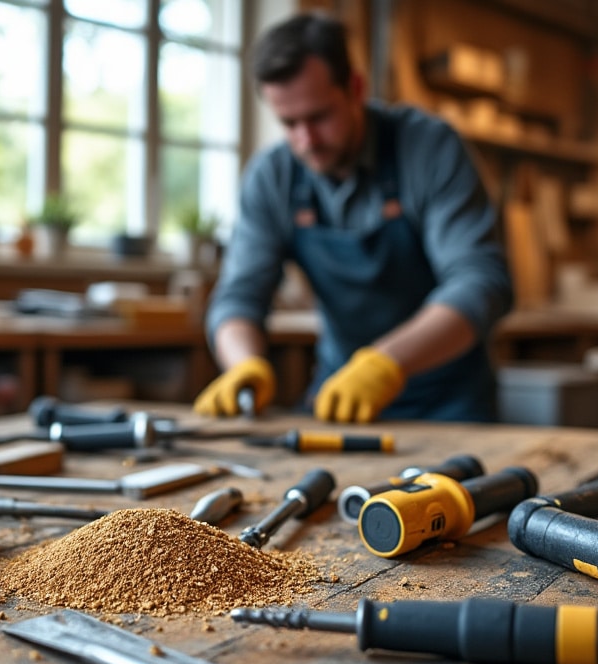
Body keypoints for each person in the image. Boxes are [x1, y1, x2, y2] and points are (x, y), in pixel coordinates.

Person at [193, 12, 513, 423]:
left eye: (319, 117)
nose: (305, 141)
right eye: (289, 124)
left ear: (356, 89)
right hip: (340, 395)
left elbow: (481, 282)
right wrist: (244, 365)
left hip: (449, 401)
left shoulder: (428, 148)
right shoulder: (272, 176)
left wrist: (384, 365)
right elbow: (238, 297)